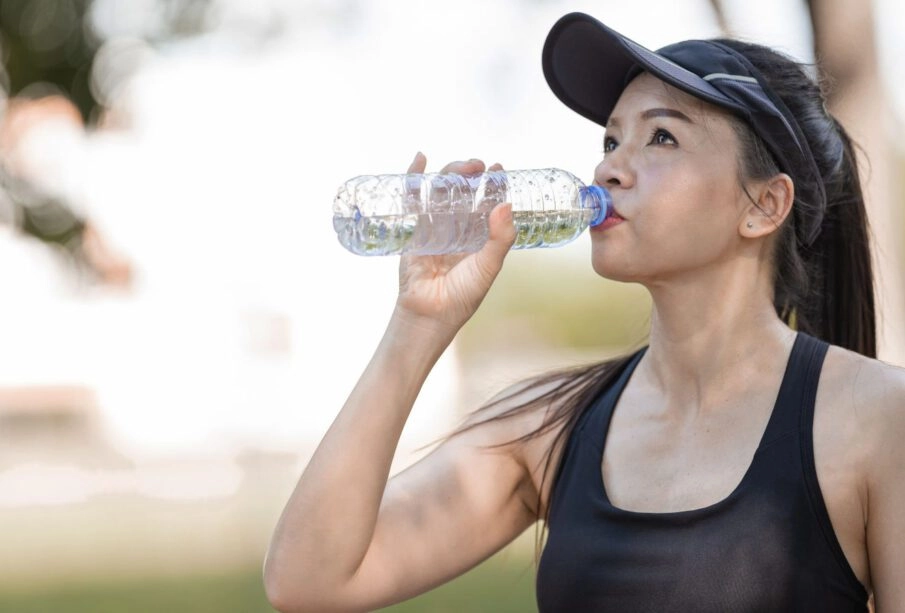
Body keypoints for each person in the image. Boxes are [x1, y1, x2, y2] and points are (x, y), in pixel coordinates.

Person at [264, 12, 904, 612]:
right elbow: (308, 581)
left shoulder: (877, 420)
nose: (608, 168)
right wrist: (420, 323)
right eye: (610, 139)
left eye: (660, 137)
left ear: (764, 205)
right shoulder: (549, 428)